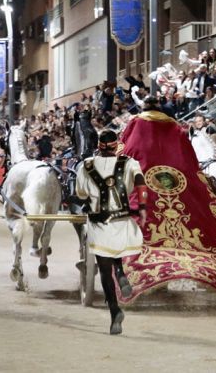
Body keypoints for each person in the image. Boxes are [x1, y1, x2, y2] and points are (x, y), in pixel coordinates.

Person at [73, 129, 147, 335]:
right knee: (117, 249)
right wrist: (142, 208)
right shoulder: (130, 163)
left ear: (99, 145)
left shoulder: (86, 166)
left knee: (104, 269)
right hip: (122, 220)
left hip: (99, 223)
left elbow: (80, 194)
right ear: (117, 145)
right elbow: (141, 184)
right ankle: (121, 272)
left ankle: (115, 312)